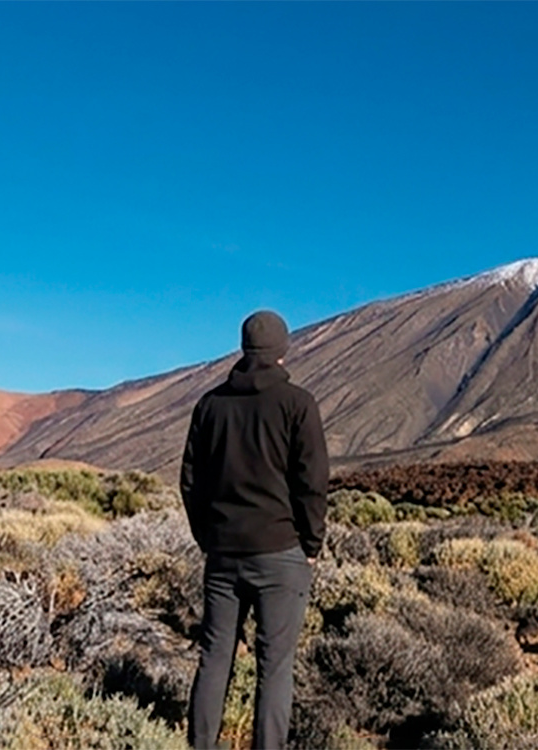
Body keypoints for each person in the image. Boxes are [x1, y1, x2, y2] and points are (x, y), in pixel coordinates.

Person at [181, 310, 329, 750]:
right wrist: (311, 543)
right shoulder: (297, 403)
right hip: (281, 553)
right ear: (284, 351)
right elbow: (312, 482)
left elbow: (191, 480)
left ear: (244, 349)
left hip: (223, 556)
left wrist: (208, 538)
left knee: (214, 659)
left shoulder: (210, 405)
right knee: (275, 667)